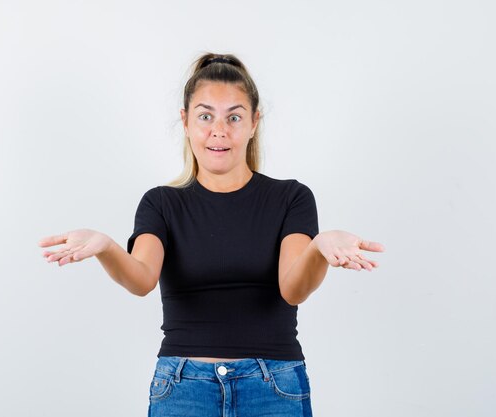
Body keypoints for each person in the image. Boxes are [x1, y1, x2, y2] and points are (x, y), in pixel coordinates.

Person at [38, 53, 385, 417]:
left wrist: (318, 248)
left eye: (234, 117)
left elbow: (293, 289)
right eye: (206, 116)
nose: (219, 130)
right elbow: (141, 279)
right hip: (183, 387)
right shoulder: (161, 204)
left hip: (274, 387)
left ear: (254, 122)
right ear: (186, 121)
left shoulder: (291, 198)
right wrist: (106, 247)